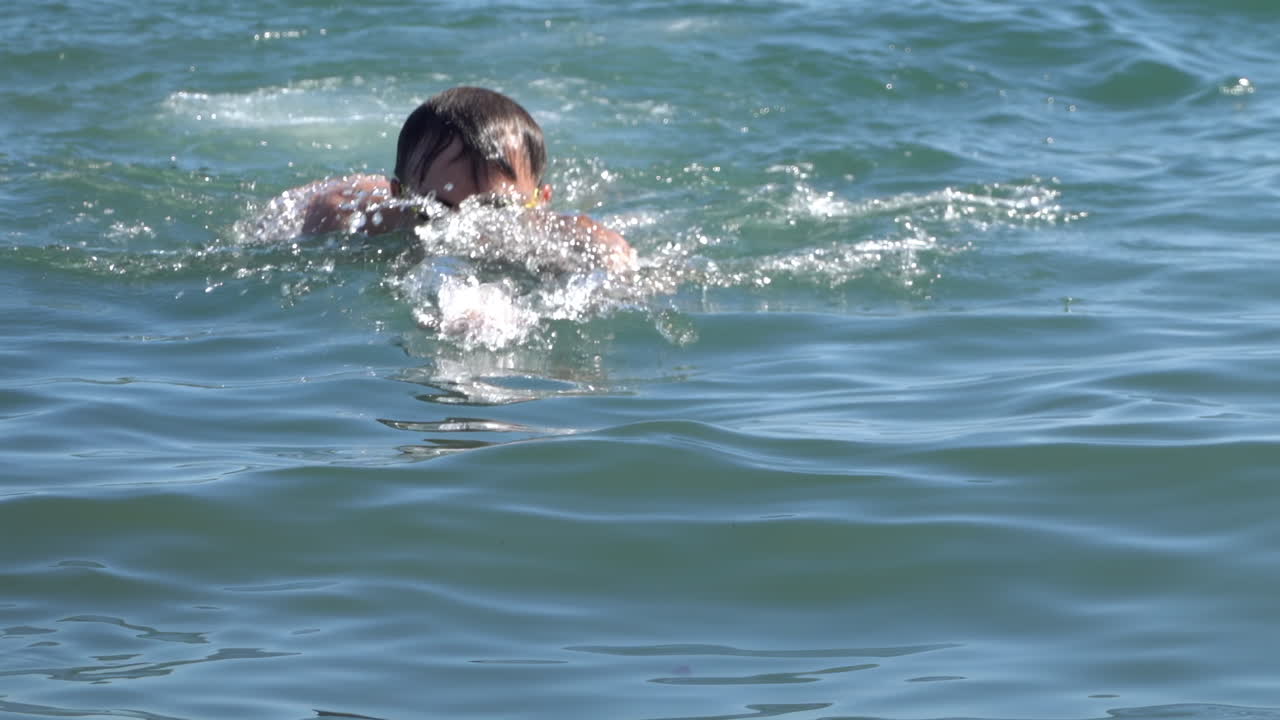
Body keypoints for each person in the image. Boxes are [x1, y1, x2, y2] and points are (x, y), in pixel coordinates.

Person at [277, 86, 635, 273]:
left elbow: (609, 248)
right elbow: (299, 215)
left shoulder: (550, 238)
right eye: (436, 209)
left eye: (494, 209)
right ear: (400, 195)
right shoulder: (360, 221)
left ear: (541, 201)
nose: (463, 227)